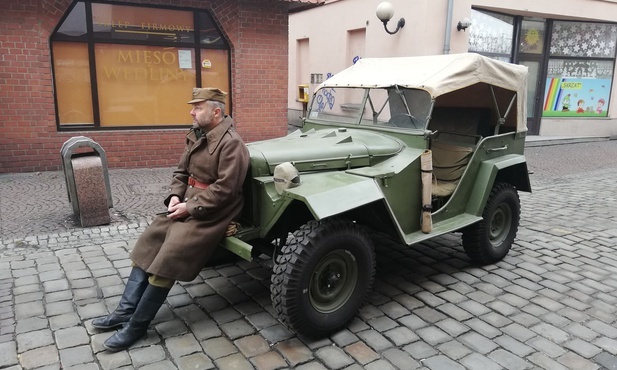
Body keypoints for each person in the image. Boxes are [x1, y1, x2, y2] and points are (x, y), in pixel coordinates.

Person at [91, 87, 250, 352]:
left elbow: (226, 190)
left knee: (171, 253)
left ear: (216, 111)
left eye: (197, 108)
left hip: (213, 213)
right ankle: (124, 311)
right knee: (149, 241)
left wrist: (190, 207)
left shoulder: (231, 143)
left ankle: (137, 326)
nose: (191, 112)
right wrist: (176, 197)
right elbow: (181, 172)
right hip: (187, 205)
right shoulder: (197, 135)